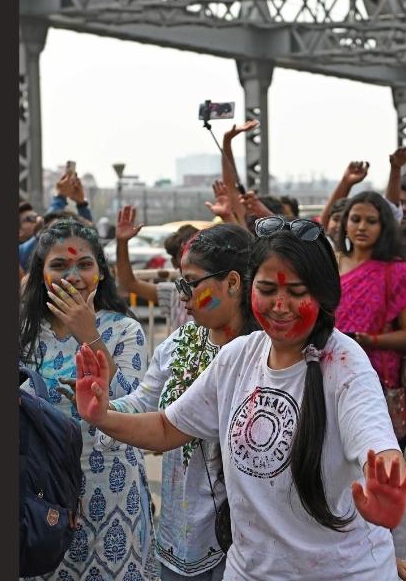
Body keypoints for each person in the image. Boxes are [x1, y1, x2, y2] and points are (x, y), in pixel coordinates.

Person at [73, 216, 406, 579]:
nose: (280, 305)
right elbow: (166, 426)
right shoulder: (239, 356)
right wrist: (103, 416)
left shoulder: (344, 361)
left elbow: (374, 443)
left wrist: (387, 485)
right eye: (267, 290)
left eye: (297, 292)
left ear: (323, 294)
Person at [100, 224, 259, 581]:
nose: (181, 294)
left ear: (233, 283)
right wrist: (103, 407)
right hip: (183, 530)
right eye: (178, 282)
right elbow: (143, 404)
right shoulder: (179, 343)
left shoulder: (266, 353)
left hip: (246, 536)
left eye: (191, 282)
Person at [19, 219, 158, 580]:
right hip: (42, 490)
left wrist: (89, 333)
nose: (74, 275)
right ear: (41, 273)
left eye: (84, 264)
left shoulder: (125, 329)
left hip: (111, 484)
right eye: (60, 265)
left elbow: (130, 401)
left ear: (100, 271)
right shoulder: (23, 331)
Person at [335, 191, 406, 438]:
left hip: (375, 383)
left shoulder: (398, 272)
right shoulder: (332, 263)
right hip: (328, 374)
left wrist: (368, 340)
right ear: (345, 224)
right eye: (355, 219)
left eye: (371, 221)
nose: (361, 227)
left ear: (384, 227)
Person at [115, 205, 199, 331]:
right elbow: (128, 282)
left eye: (196, 254)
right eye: (184, 256)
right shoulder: (174, 295)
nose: (192, 263)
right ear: (175, 262)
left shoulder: (219, 294)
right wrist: (122, 243)